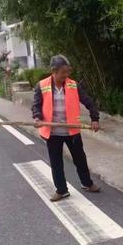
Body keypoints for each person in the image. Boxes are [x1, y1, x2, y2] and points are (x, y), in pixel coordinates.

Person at [32, 55, 101, 202]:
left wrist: (94, 119)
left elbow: (89, 102)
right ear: (54, 71)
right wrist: (37, 118)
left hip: (72, 131)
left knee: (80, 159)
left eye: (68, 71)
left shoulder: (73, 85)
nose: (66, 75)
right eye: (63, 72)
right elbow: (36, 105)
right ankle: (62, 190)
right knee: (56, 163)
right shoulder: (42, 85)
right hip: (52, 133)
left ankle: (87, 183)